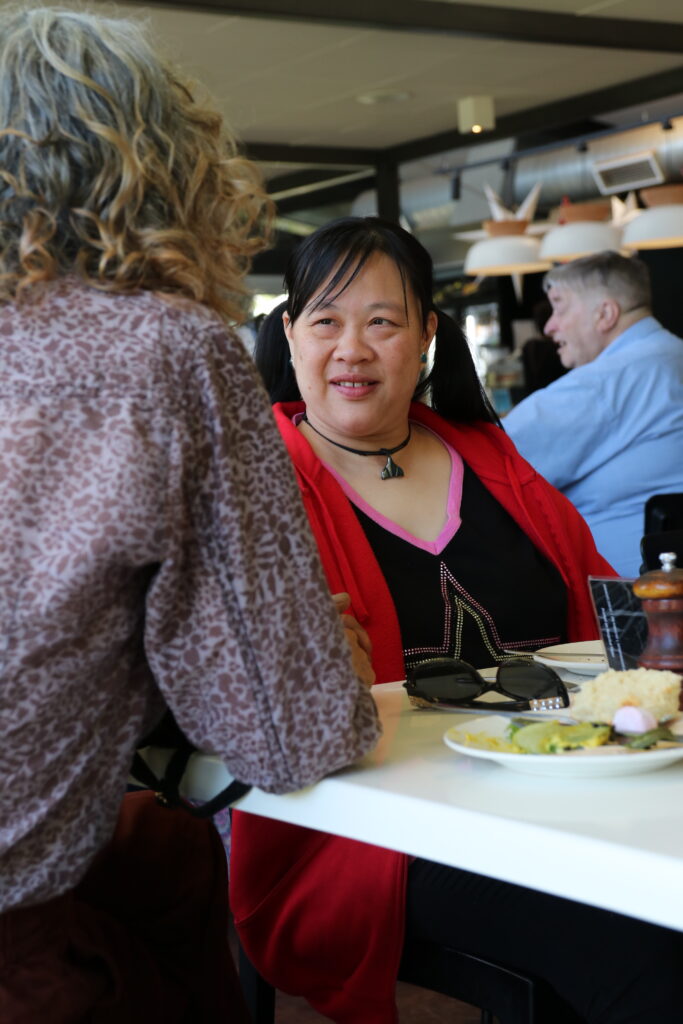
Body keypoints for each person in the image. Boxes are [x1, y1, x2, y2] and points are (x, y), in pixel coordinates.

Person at [0, 10, 381, 1022]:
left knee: (159, 856)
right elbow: (286, 731)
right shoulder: (167, 352)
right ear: (162, 163)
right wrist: (316, 651)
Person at [230, 216, 683, 1024]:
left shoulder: (487, 455)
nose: (352, 349)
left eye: (382, 321)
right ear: (289, 333)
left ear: (427, 335)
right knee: (642, 952)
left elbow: (614, 628)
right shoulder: (255, 483)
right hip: (374, 834)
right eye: (326, 321)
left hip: (564, 785)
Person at [504, 252, 683, 577]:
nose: (549, 326)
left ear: (605, 314)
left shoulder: (606, 383)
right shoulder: (672, 355)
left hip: (632, 611)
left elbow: (489, 455)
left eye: (559, 305)